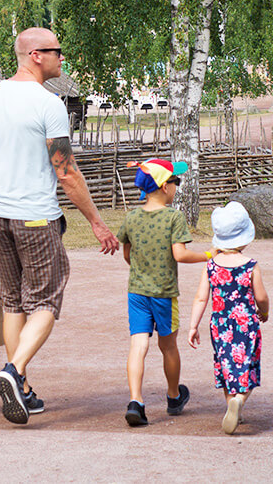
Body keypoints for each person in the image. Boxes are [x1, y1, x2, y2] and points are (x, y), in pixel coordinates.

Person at [0, 27, 120, 425]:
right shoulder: (48, 104)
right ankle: (13, 372)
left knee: (14, 303)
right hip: (35, 217)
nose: (62, 58)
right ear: (35, 55)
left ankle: (23, 390)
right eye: (57, 51)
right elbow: (66, 171)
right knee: (45, 301)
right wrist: (97, 223)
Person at [116, 158, 214, 427]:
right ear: (163, 186)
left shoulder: (132, 217)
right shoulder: (173, 217)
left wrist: (141, 270)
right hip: (164, 294)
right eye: (175, 181)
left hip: (137, 292)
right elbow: (180, 254)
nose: (176, 186)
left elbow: (127, 254)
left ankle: (136, 401)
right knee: (168, 346)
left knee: (138, 345)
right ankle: (173, 396)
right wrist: (208, 255)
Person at [187, 201, 269, 435]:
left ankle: (230, 405)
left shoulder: (211, 266)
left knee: (226, 366)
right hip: (246, 325)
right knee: (247, 365)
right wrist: (264, 312)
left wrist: (193, 326)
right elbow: (261, 297)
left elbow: (201, 298)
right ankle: (239, 401)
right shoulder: (250, 266)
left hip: (220, 326)